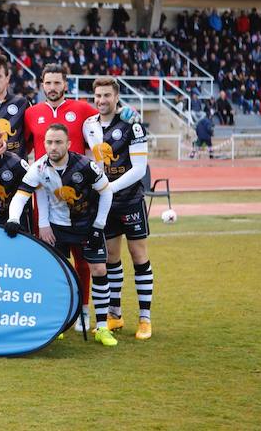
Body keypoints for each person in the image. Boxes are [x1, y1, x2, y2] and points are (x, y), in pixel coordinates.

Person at [4, 124, 117, 347]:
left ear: (68, 144)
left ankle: (102, 327)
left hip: (87, 226)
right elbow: (21, 195)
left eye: (57, 142)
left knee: (99, 269)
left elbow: (107, 192)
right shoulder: (39, 167)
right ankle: (60, 323)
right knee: (57, 273)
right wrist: (13, 219)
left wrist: (98, 226)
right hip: (57, 228)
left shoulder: (86, 165)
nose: (53, 147)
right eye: (49, 142)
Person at [91, 77, 153, 340]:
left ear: (116, 97)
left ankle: (145, 319)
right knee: (111, 258)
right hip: (106, 204)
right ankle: (115, 315)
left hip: (129, 200)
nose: (102, 100)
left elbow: (139, 170)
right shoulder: (89, 125)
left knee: (138, 256)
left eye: (107, 95)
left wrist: (109, 188)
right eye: (98, 96)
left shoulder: (132, 125)